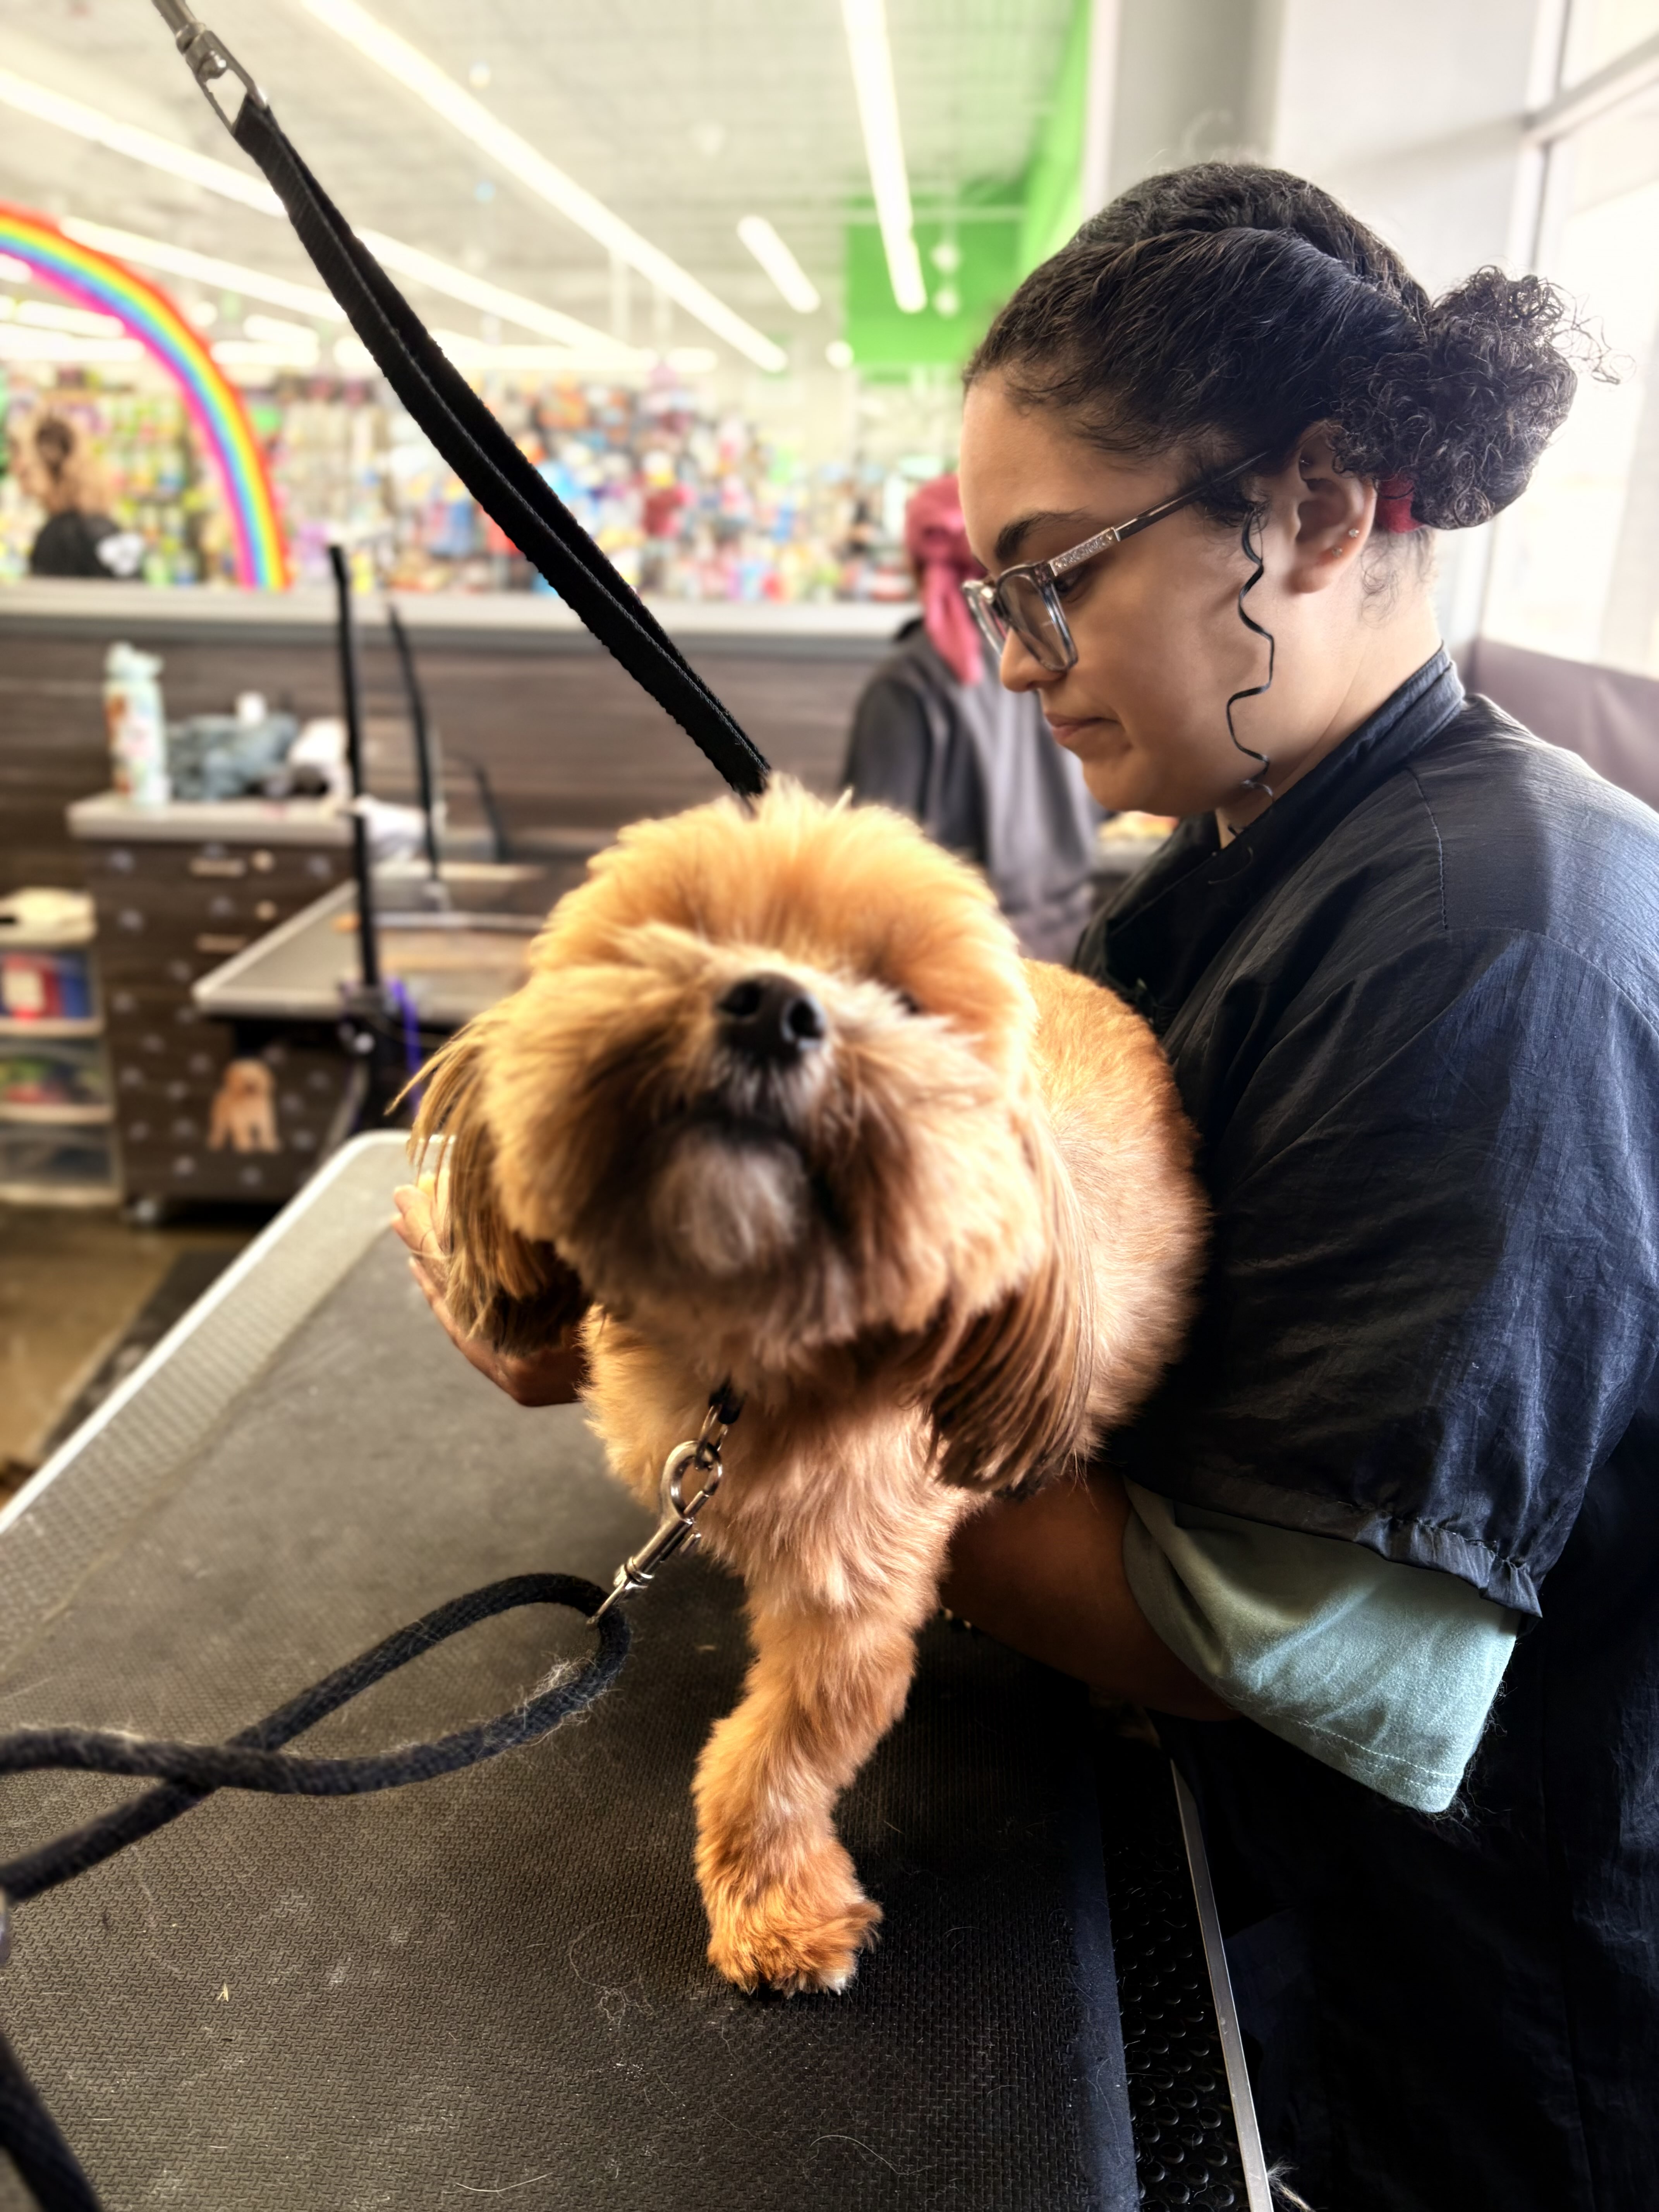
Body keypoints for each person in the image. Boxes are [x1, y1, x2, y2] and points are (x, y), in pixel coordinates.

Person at [396, 162, 1659, 2209]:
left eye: (1050, 577)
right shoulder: (1240, 855)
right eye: (999, 602)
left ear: (1316, 510)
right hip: (1234, 1892)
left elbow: (1275, 1644)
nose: (1014, 659)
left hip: (1469, 2017)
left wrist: (754, 1414)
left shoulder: (1499, 936)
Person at [842, 473, 1102, 961]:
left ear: (915, 562)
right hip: (1071, 952)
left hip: (965, 966)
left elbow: (865, 868)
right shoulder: (1054, 654)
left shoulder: (909, 685)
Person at [17, 414, 142, 579]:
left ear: (49, 470)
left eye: (28, 470)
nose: (19, 474)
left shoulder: (58, 535)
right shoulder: (103, 525)